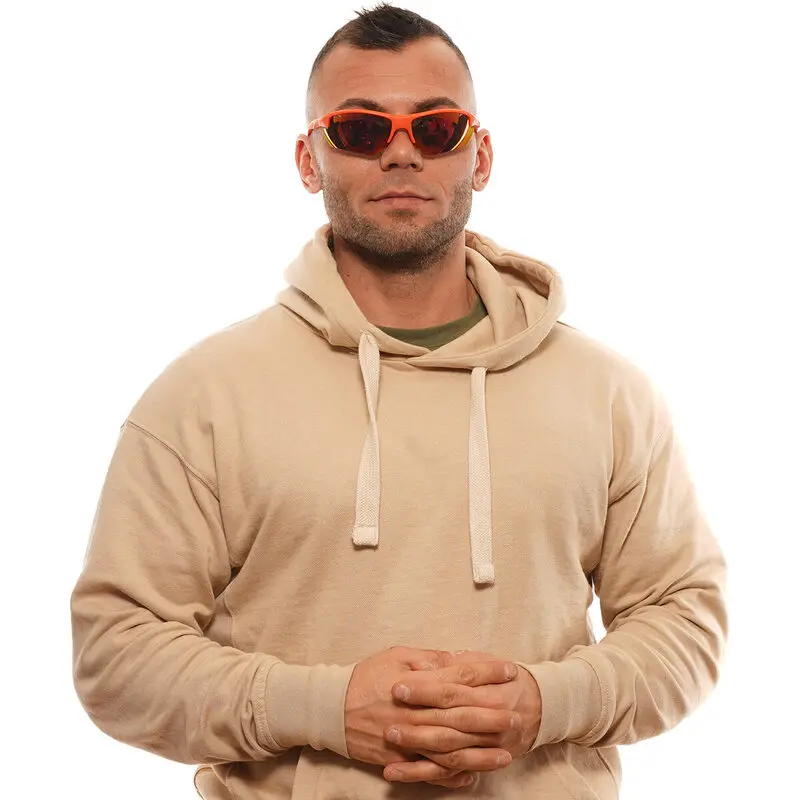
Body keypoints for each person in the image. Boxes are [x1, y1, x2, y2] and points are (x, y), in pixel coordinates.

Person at [70, 4, 728, 798]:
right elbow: (115, 655)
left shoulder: (608, 393)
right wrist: (325, 707)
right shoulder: (204, 396)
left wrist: (544, 704)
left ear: (481, 156)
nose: (402, 151)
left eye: (438, 127)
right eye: (360, 129)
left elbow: (685, 620)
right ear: (309, 159)